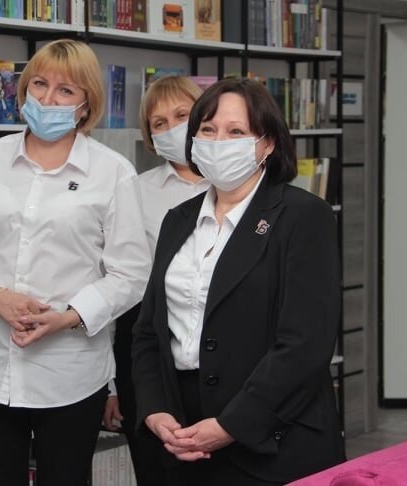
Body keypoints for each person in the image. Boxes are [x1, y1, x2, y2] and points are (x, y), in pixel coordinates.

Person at [0, 38, 151, 486]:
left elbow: (130, 273)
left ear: (86, 103)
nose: (48, 99)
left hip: (70, 373)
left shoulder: (113, 172)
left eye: (65, 90)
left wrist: (68, 317)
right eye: (39, 84)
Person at [132, 77, 345, 485]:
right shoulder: (178, 220)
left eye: (235, 132)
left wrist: (231, 425)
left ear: (267, 144)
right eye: (208, 130)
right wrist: (155, 409)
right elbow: (148, 331)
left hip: (274, 435)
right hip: (184, 435)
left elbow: (305, 344)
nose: (218, 142)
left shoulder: (304, 216)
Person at [103, 75, 209, 486]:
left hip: (224, 353)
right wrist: (111, 383)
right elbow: (119, 284)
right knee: (157, 469)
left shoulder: (241, 186)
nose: (171, 129)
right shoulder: (135, 191)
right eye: (159, 123)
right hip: (150, 353)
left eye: (182, 115)